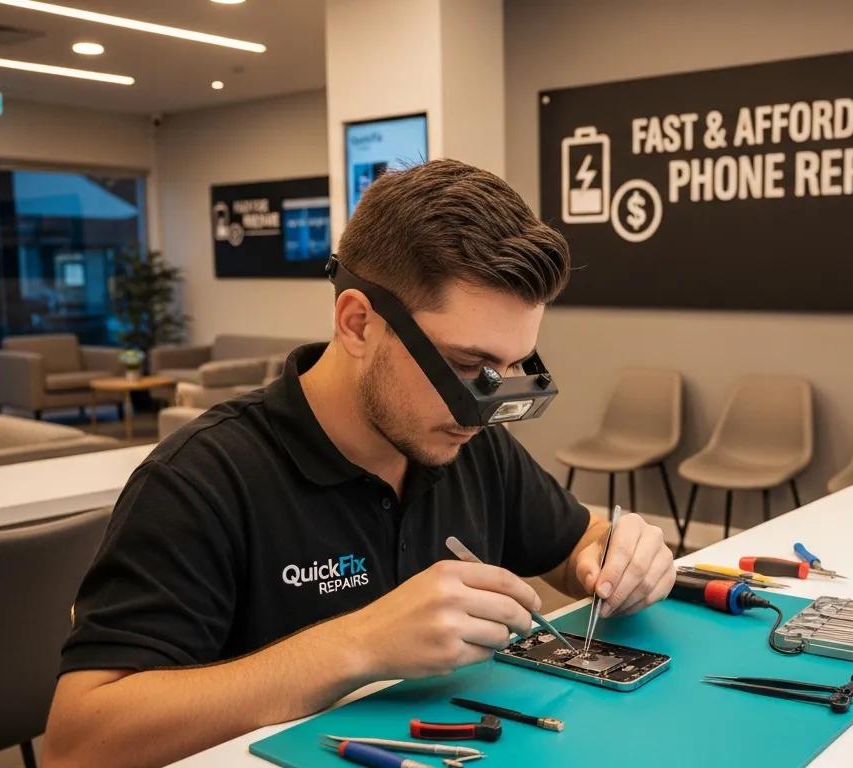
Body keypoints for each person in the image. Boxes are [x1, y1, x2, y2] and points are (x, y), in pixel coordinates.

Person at [43, 159, 675, 768]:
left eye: (509, 371)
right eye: (464, 368)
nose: (484, 409)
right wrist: (357, 645)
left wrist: (615, 555)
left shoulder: (467, 441)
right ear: (356, 322)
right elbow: (80, 743)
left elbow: (573, 544)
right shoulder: (201, 480)